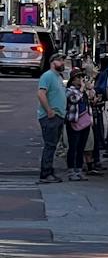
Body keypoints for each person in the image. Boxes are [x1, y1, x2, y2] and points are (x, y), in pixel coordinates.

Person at [37, 53, 68, 184]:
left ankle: (49, 170)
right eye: (60, 61)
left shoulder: (58, 77)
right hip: (50, 117)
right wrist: (49, 111)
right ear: (52, 62)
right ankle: (45, 173)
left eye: (63, 61)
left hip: (59, 116)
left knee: (53, 145)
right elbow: (41, 93)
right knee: (50, 145)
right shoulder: (48, 76)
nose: (63, 63)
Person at [64, 69, 94, 181]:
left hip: (85, 122)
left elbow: (91, 98)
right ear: (72, 80)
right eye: (78, 78)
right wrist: (81, 89)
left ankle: (79, 169)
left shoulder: (83, 91)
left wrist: (89, 88)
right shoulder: (69, 90)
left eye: (81, 77)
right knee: (73, 147)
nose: (80, 80)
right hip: (74, 122)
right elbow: (73, 99)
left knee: (81, 147)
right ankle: (71, 170)